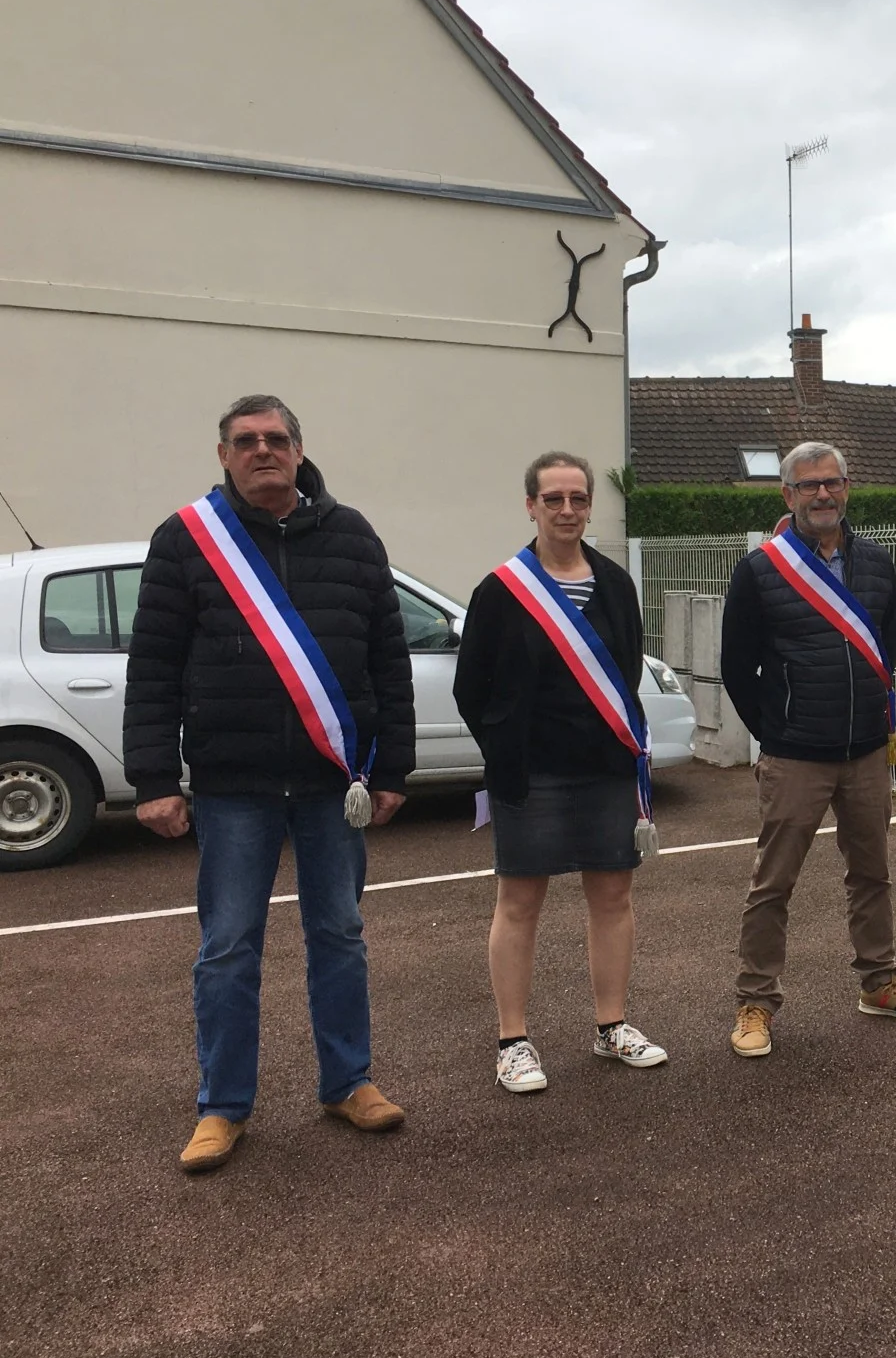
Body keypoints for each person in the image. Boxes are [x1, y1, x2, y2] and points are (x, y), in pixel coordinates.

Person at [124, 393, 414, 1174]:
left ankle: (348, 1083)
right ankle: (222, 1106)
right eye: (246, 440)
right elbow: (153, 666)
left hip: (332, 785)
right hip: (233, 786)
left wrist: (393, 767)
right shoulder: (187, 539)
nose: (263, 451)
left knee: (340, 936)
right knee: (226, 948)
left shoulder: (353, 535)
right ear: (223, 455)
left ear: (298, 450)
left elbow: (388, 659)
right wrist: (153, 777)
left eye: (276, 439)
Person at [718, 441, 896, 1057]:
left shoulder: (876, 562)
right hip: (795, 754)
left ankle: (880, 983)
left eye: (832, 482)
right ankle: (756, 1001)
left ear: (847, 488)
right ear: (787, 494)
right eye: (809, 485)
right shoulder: (760, 570)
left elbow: (885, 648)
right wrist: (776, 729)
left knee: (872, 874)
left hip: (866, 751)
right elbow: (736, 667)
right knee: (773, 883)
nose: (822, 494)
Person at [454, 452, 668, 1093]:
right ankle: (513, 1041)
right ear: (531, 506)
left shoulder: (615, 584)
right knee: (520, 903)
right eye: (554, 499)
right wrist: (508, 748)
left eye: (578, 498)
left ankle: (612, 1025)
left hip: (606, 770)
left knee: (613, 898)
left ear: (589, 506)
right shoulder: (501, 590)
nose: (567, 510)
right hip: (532, 776)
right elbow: (471, 688)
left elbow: (625, 669)